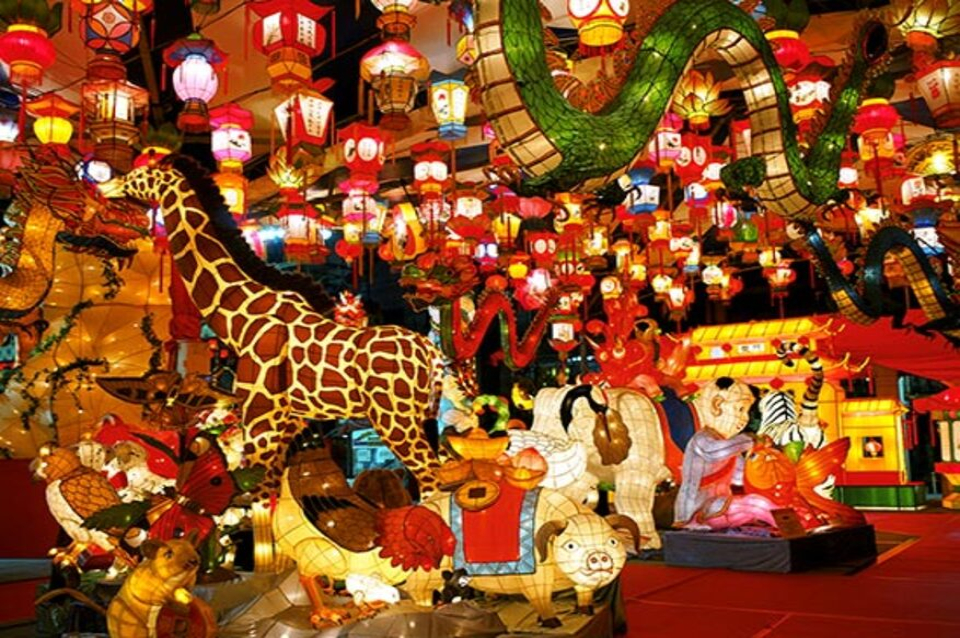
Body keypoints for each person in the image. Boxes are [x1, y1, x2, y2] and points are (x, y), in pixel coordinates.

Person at [675, 378, 775, 529]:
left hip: (719, 504)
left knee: (757, 502)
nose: (745, 418)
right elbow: (715, 451)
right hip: (698, 510)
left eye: (747, 411)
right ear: (717, 405)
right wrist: (751, 440)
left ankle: (790, 524)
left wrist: (761, 464)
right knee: (754, 505)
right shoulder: (702, 439)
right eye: (740, 409)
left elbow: (740, 478)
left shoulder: (731, 446)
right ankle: (789, 525)